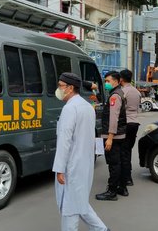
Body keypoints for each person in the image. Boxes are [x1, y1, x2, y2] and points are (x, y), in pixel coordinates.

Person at [52, 72, 109, 231]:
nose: (58, 89)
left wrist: (59, 168)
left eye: (60, 86)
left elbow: (64, 141)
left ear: (70, 88)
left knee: (69, 207)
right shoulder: (86, 106)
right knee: (79, 201)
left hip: (71, 166)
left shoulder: (70, 109)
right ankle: (101, 229)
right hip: (84, 164)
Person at [96, 71, 128, 201]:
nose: (106, 83)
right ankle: (121, 187)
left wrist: (109, 137)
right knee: (119, 162)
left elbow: (113, 118)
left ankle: (112, 191)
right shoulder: (118, 93)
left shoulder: (115, 96)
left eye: (108, 81)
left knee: (114, 164)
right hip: (119, 135)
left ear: (116, 81)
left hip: (113, 136)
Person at [119, 69, 141, 186]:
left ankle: (126, 177)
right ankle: (128, 176)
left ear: (121, 79)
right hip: (135, 123)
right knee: (128, 150)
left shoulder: (122, 92)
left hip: (125, 123)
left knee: (123, 151)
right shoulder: (136, 92)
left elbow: (120, 109)